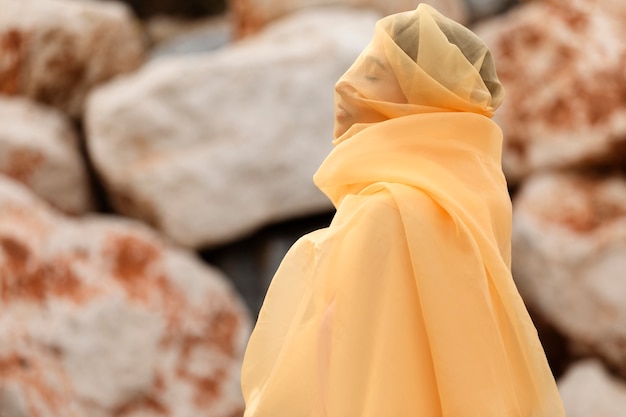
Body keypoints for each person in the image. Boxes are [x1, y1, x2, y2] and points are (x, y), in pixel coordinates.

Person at [241, 4, 565, 416]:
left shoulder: (389, 211)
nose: (345, 85)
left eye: (373, 75)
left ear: (420, 102)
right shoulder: (469, 201)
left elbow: (342, 364)